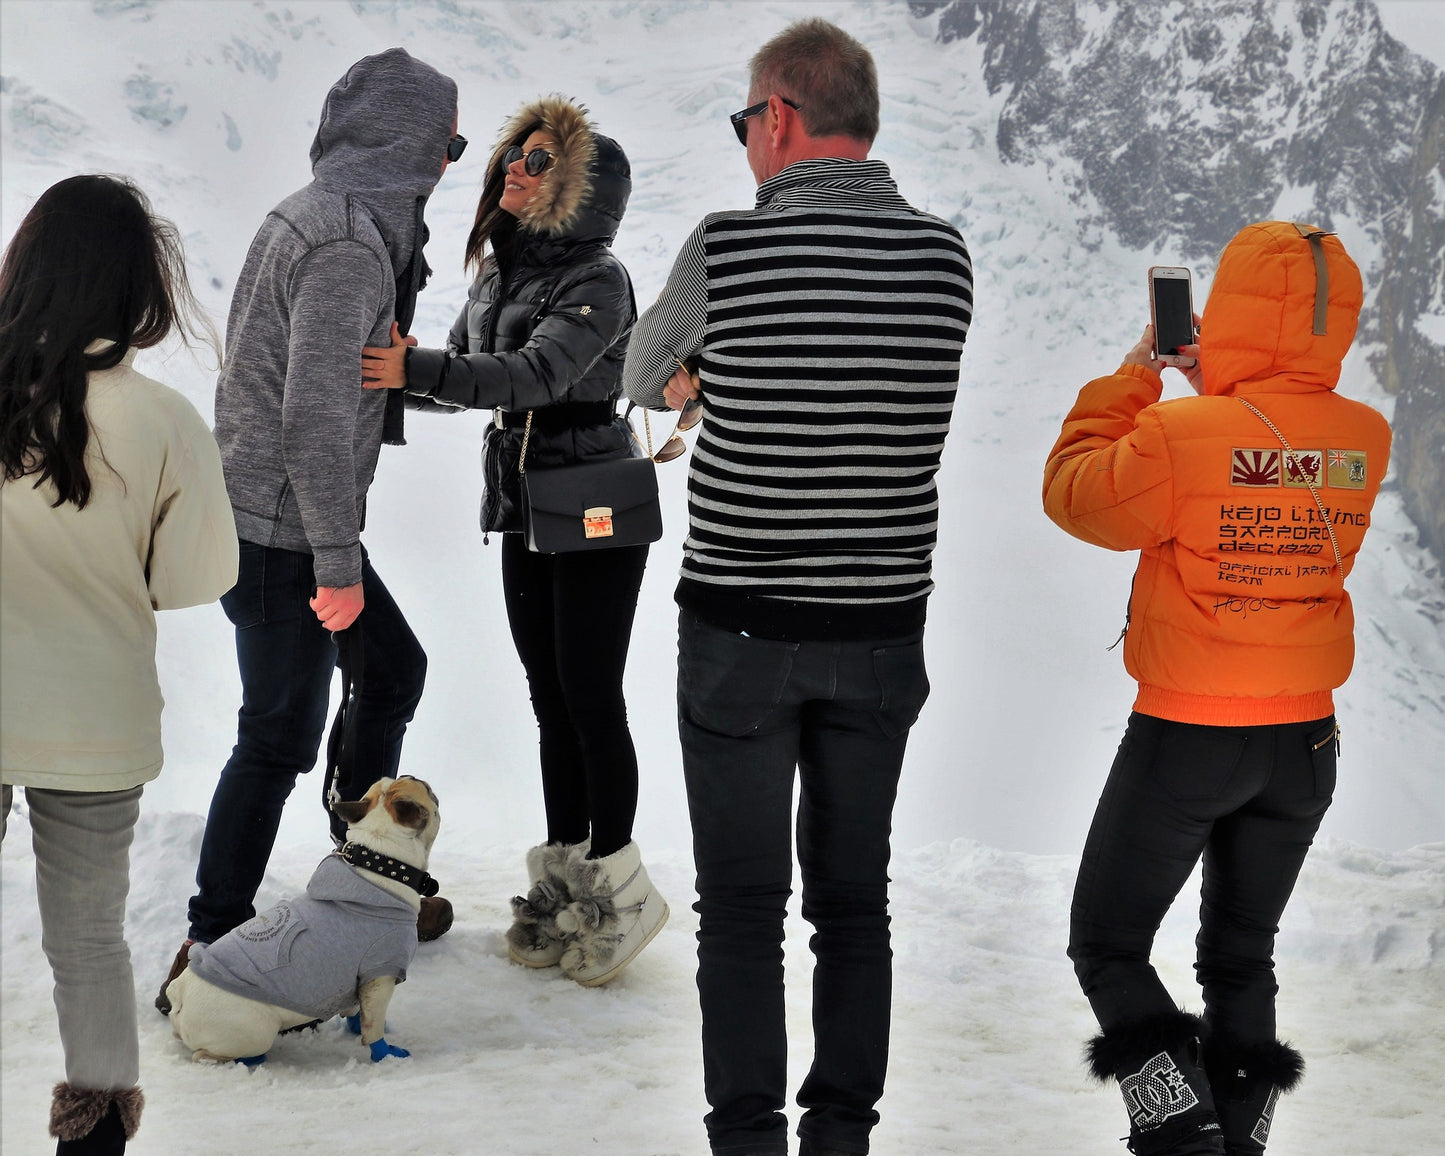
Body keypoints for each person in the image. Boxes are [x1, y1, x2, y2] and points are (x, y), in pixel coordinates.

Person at [622, 19, 974, 1155]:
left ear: (778, 116)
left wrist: (704, 370)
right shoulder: (942, 258)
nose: (742, 148)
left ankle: (745, 1141)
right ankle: (839, 1139)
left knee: (740, 909)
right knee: (851, 903)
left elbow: (635, 370)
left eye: (744, 124)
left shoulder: (727, 250)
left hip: (736, 627)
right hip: (879, 630)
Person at [1042, 222, 1391, 1156]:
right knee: (1241, 955)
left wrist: (1138, 373)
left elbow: (1074, 494)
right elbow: (1273, 453)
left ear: (1227, 311)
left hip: (1189, 737)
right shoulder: (1365, 438)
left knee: (1106, 942)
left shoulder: (1174, 434)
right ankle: (1238, 1143)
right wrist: (1222, 394)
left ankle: (1176, 1121)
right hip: (1305, 745)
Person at [155, 48, 462, 1014]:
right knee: (277, 736)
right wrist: (336, 561)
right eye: (445, 144)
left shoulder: (320, 214)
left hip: (277, 518)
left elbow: (329, 385)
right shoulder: (346, 246)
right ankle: (208, 944)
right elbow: (312, 417)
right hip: (288, 532)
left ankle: (363, 884)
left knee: (391, 671)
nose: (451, 164)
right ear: (410, 146)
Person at [360, 95, 667, 986]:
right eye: (514, 159)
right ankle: (565, 882)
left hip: (591, 501)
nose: (514, 173)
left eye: (538, 163)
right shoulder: (497, 277)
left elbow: (531, 376)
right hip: (525, 501)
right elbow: (462, 377)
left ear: (580, 189)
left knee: (589, 693)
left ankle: (613, 893)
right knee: (549, 696)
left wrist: (409, 369)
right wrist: (380, 379)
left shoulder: (600, 280)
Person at [0, 174, 238, 1155]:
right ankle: (93, 1139)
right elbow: (195, 580)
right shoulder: (166, 420)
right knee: (89, 947)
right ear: (138, 284)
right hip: (95, 720)